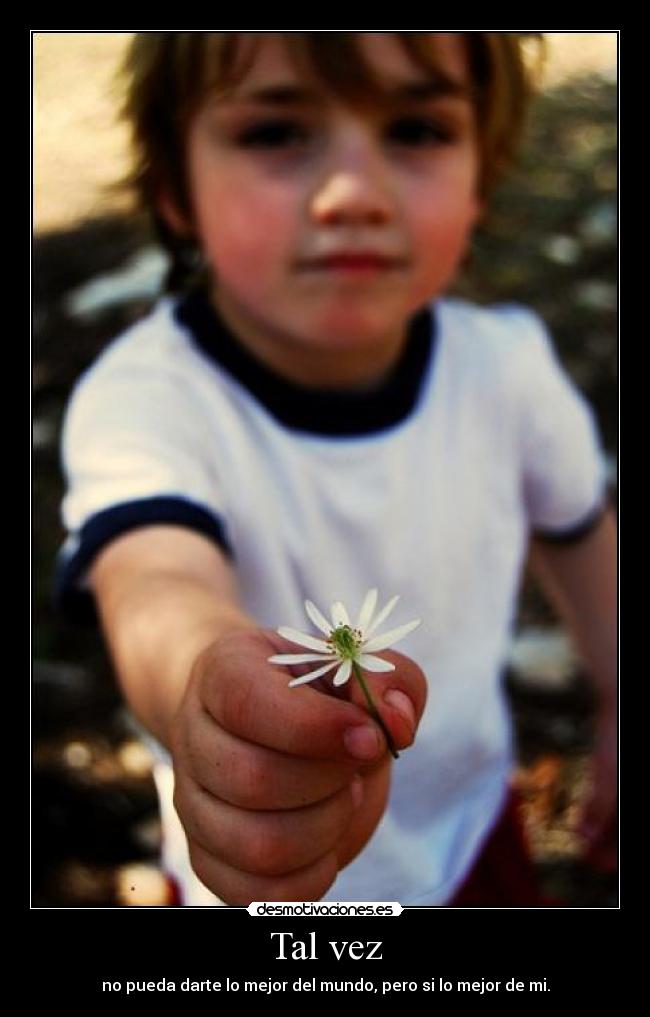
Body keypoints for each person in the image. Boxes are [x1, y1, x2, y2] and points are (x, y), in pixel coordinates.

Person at [56, 32, 617, 906]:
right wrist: (207, 689)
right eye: (276, 133)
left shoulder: (506, 369)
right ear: (174, 188)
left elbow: (579, 527)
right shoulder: (145, 400)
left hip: (469, 824)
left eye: (419, 130)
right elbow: (153, 577)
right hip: (250, 868)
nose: (354, 193)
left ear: (483, 175)